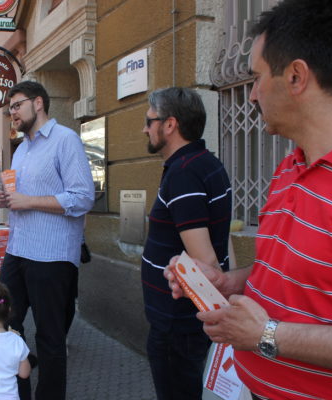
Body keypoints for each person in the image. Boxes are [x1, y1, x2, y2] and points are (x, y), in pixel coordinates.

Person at [164, 1, 332, 399]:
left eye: (257, 77)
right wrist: (228, 283)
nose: (251, 96)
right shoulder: (289, 168)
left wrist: (265, 335)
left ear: (296, 77)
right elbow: (283, 274)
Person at [0, 81, 94, 400]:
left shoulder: (66, 140)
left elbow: (83, 197)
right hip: (18, 249)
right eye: (9, 109)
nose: (12, 113)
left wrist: (29, 201)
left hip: (51, 256)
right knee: (4, 325)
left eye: (16, 106)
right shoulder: (22, 148)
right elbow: (22, 198)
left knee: (50, 338)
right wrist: (7, 200)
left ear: (38, 103)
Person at [139, 87, 232, 399]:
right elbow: (223, 238)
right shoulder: (207, 163)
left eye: (149, 121)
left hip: (177, 324)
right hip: (184, 322)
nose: (144, 129)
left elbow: (206, 264)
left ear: (170, 124)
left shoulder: (183, 174)